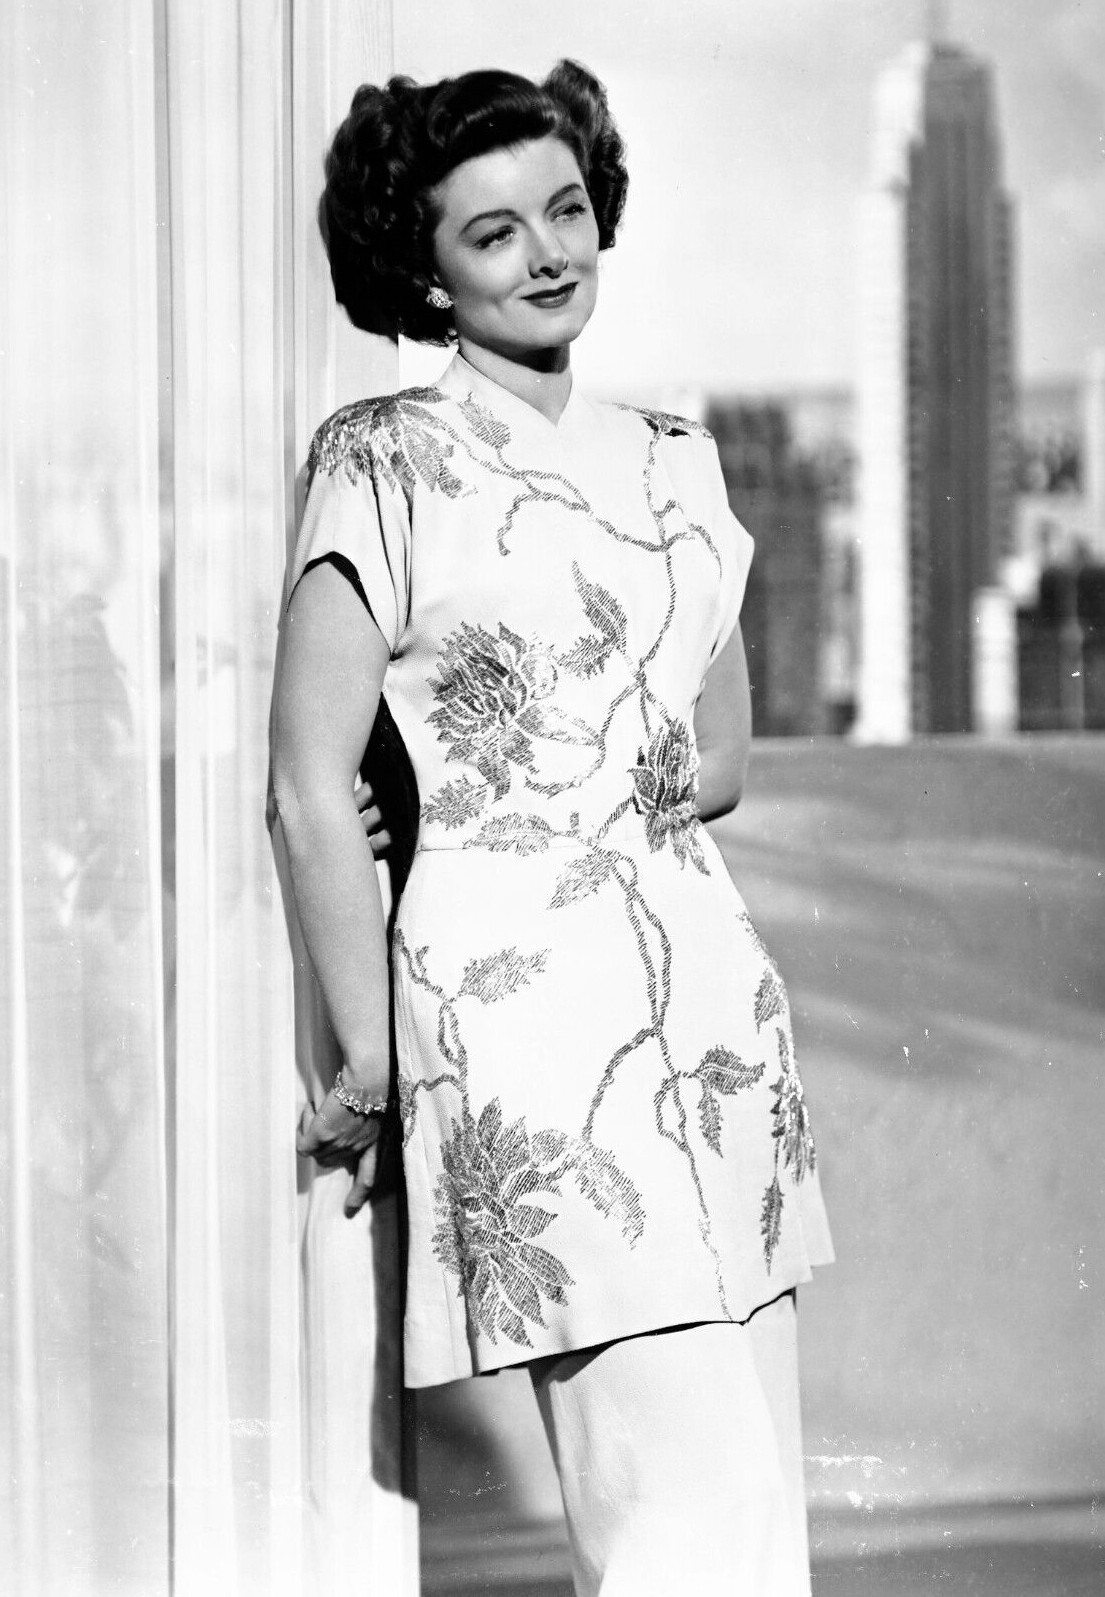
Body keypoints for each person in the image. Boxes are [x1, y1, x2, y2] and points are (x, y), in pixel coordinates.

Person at [268, 59, 833, 1596]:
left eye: (564, 209)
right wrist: (366, 1055)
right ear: (424, 269)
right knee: (674, 1525)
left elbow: (719, 759)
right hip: (529, 1032)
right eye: (493, 232)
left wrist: (573, 786)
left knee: (750, 1511)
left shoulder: (674, 455)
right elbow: (307, 782)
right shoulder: (382, 455)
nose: (545, 254)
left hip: (712, 1016)